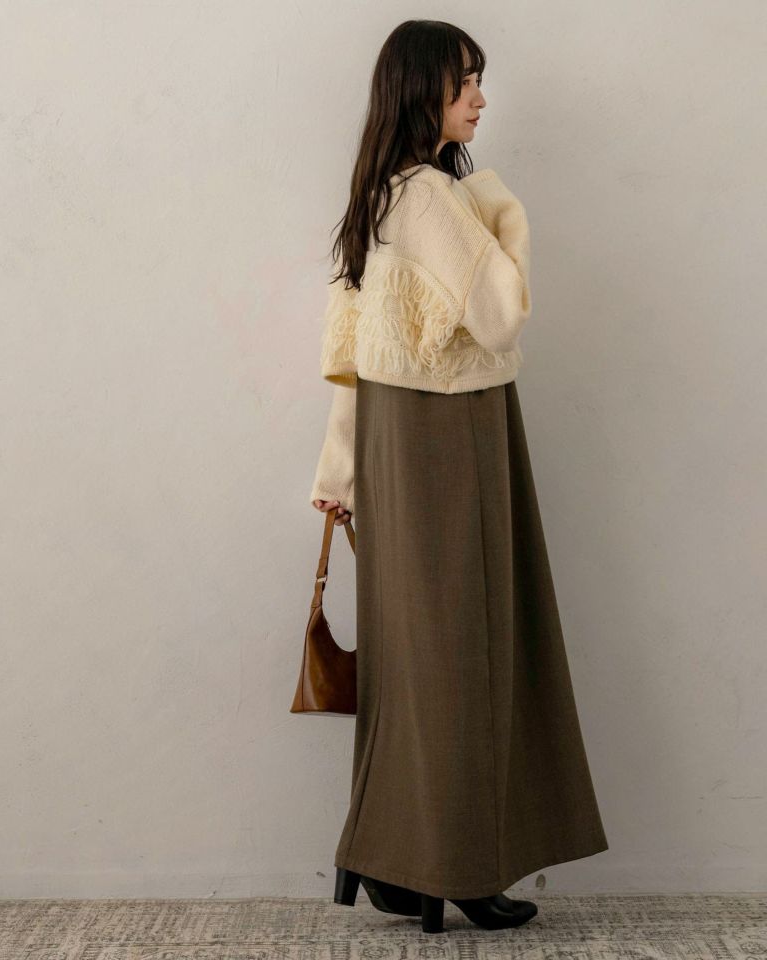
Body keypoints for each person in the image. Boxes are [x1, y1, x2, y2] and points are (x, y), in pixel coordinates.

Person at [308, 19, 609, 935]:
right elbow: (502, 311)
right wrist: (501, 205)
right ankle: (457, 865)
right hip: (452, 435)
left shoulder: (377, 197)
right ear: (421, 92)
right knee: (468, 651)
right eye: (463, 82)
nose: (479, 98)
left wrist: (340, 472)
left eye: (479, 79)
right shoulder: (435, 197)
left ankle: (392, 859)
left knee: (414, 656)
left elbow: (355, 353)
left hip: (395, 442)